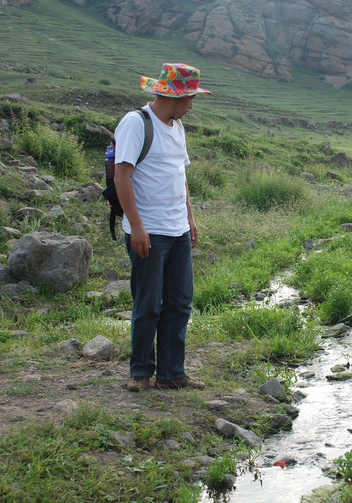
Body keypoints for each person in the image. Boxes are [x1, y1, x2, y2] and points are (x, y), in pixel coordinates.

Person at [114, 63, 212, 392]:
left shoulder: (177, 126)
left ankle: (172, 373)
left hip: (177, 230)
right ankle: (140, 373)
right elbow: (122, 176)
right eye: (190, 98)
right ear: (173, 98)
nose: (192, 105)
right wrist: (137, 227)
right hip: (149, 231)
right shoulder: (136, 123)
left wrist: (190, 217)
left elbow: (178, 176)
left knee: (180, 302)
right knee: (148, 303)